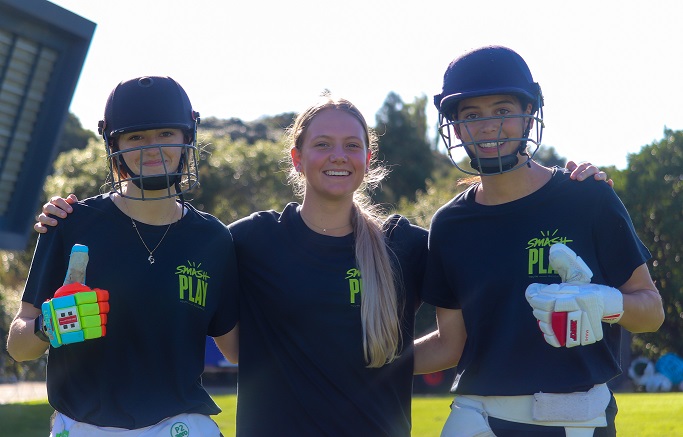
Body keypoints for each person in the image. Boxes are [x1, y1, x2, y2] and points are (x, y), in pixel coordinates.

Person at [32, 91, 609, 436]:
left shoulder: (407, 244)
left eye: (351, 144)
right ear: (297, 157)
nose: (339, 156)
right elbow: (227, 337)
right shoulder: (246, 240)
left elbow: (452, 342)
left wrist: (572, 187)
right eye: (323, 144)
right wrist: (70, 222)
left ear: (368, 157)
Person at [413, 45, 664, 437]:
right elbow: (450, 345)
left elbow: (651, 312)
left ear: (529, 116)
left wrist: (604, 303)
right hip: (476, 419)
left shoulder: (588, 196)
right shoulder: (450, 223)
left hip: (576, 421)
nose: (488, 127)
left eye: (502, 111)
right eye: (471, 115)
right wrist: (365, 360)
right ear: (456, 128)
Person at [7, 76, 239, 436]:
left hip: (180, 424)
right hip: (85, 425)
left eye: (165, 134)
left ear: (187, 138)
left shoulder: (213, 239)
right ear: (114, 145)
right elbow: (18, 346)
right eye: (136, 137)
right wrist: (51, 325)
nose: (152, 148)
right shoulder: (69, 224)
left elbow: (238, 350)